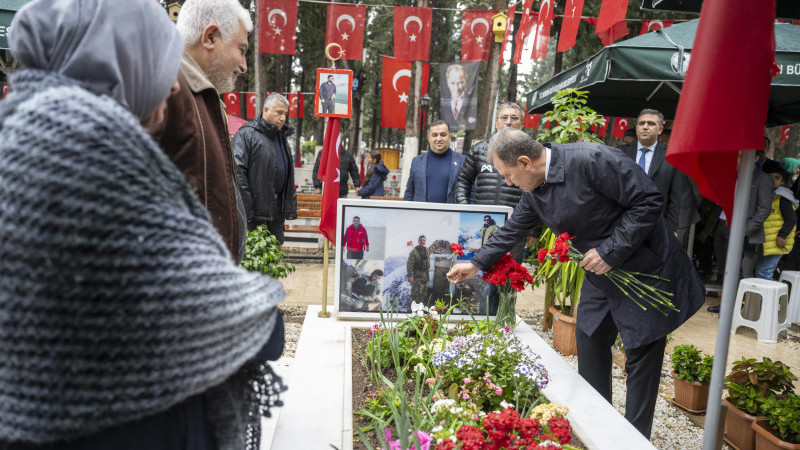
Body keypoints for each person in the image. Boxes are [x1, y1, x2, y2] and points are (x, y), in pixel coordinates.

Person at [0, 0, 286, 448]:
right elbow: (222, 316)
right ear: (120, 63)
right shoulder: (88, 147)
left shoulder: (24, 129)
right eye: (159, 63)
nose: (172, 86)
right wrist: (257, 310)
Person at [447, 128, 704, 438]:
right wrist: (476, 263)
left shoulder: (593, 159)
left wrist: (611, 251)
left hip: (642, 268)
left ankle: (633, 439)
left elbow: (648, 201)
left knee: (641, 354)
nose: (508, 183)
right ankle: (601, 425)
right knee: (589, 336)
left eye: (509, 175)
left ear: (526, 162)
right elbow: (513, 228)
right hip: (600, 272)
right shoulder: (535, 189)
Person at [158, 0, 251, 262]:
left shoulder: (202, 96)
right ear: (209, 37)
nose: (243, 65)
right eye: (241, 50)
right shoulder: (167, 90)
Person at [456, 102, 535, 261]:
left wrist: (534, 230)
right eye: (504, 117)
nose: (508, 122)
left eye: (514, 118)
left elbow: (539, 191)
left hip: (515, 227)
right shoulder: (479, 150)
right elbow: (463, 181)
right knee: (477, 276)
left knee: (509, 279)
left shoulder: (531, 152)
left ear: (522, 124)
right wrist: (466, 211)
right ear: (496, 122)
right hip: (481, 226)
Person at [233, 93, 298, 244]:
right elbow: (237, 173)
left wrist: (290, 208)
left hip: (277, 213)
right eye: (279, 113)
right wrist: (247, 209)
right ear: (266, 110)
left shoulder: (281, 137)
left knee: (273, 258)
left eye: (285, 114)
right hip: (254, 214)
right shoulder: (246, 134)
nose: (283, 118)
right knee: (254, 261)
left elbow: (289, 175)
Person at [617, 109, 683, 233]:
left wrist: (672, 230)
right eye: (642, 123)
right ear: (636, 128)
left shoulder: (672, 156)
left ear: (660, 130)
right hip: (621, 224)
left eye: (651, 123)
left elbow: (675, 198)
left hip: (656, 227)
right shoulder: (619, 152)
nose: (645, 127)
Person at [403, 120, 465, 203]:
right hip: (421, 214)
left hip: (452, 215)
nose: (438, 139)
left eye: (443, 135)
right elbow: (409, 193)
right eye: (434, 135)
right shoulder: (417, 161)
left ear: (449, 137)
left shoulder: (462, 161)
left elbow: (471, 192)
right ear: (429, 138)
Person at [755, 161, 797, 280]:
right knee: (761, 270)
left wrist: (782, 236)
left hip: (777, 242)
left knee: (763, 272)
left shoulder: (782, 199)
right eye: (769, 177)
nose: (773, 181)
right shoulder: (767, 196)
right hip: (766, 241)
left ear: (782, 182)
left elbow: (792, 219)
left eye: (777, 178)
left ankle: (768, 298)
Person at [441, 64, 476, 131]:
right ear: (448, 83)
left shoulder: (471, 102)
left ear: (465, 81)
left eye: (460, 82)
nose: (456, 87)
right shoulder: (444, 102)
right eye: (453, 83)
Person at [407, 235, 432, 305]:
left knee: (423, 293)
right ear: (418, 241)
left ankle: (421, 308)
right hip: (417, 276)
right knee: (416, 294)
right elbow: (409, 264)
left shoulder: (426, 250)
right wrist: (410, 276)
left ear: (425, 242)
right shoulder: (414, 252)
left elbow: (431, 249)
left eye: (424, 240)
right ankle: (414, 309)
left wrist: (435, 245)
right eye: (420, 240)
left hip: (425, 276)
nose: (422, 241)